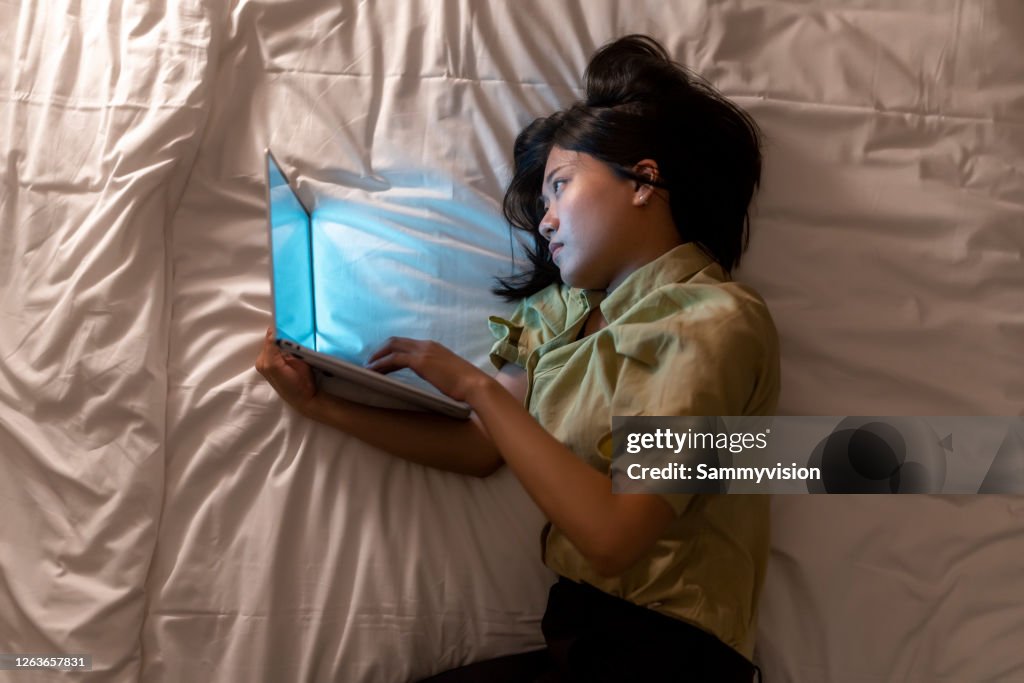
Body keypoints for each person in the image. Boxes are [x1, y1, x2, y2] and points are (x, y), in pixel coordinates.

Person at [256, 34, 779, 683]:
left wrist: (474, 385)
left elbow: (614, 534)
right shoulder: (558, 317)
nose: (545, 222)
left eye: (559, 187)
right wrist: (321, 404)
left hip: (670, 653)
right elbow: (483, 448)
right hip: (582, 635)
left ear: (644, 180)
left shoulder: (713, 322)